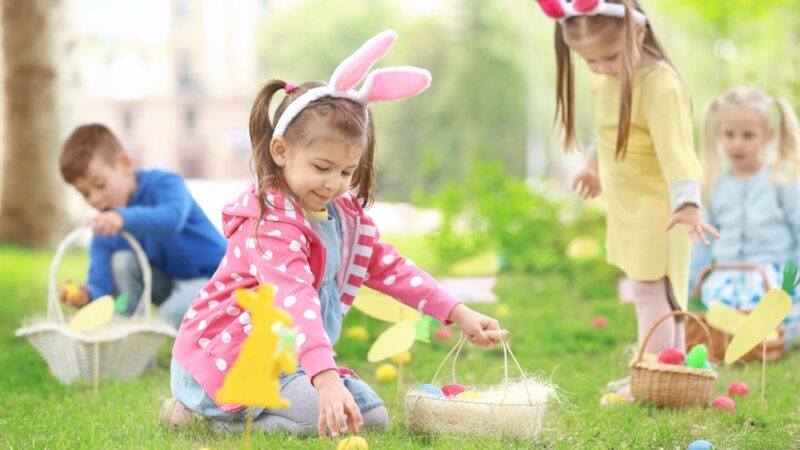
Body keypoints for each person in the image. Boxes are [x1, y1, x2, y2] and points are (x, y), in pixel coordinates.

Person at [162, 30, 502, 438]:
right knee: (317, 419)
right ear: (281, 151)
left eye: (346, 172)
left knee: (371, 418)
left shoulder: (342, 217)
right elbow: (294, 299)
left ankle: (299, 394)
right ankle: (196, 416)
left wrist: (458, 312)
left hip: (292, 358)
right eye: (321, 168)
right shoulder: (270, 225)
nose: (333, 184)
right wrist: (325, 381)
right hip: (230, 360)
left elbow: (391, 267)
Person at [533, 0, 718, 397]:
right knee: (658, 293)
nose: (601, 69)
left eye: (609, 57)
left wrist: (687, 203)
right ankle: (664, 374)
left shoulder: (660, 84)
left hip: (660, 210)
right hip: (630, 209)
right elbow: (608, 129)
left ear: (638, 31)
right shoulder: (610, 75)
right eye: (589, 62)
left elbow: (677, 150)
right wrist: (593, 167)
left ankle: (652, 377)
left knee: (653, 294)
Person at [59, 124, 227, 328]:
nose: (94, 198)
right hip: (170, 284)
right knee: (121, 262)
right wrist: (87, 297)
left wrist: (123, 218)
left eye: (100, 185)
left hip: (216, 278)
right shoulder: (106, 226)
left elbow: (172, 219)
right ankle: (128, 329)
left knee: (169, 315)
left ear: (125, 164)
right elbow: (102, 287)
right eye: (85, 193)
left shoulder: (164, 183)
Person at [689, 86, 800, 346]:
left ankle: (771, 335)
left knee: (769, 306)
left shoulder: (781, 179)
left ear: (767, 136)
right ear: (718, 133)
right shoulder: (714, 184)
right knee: (717, 308)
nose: (737, 143)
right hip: (726, 275)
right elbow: (704, 239)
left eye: (748, 135)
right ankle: (742, 335)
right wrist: (693, 282)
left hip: (770, 274)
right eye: (729, 134)